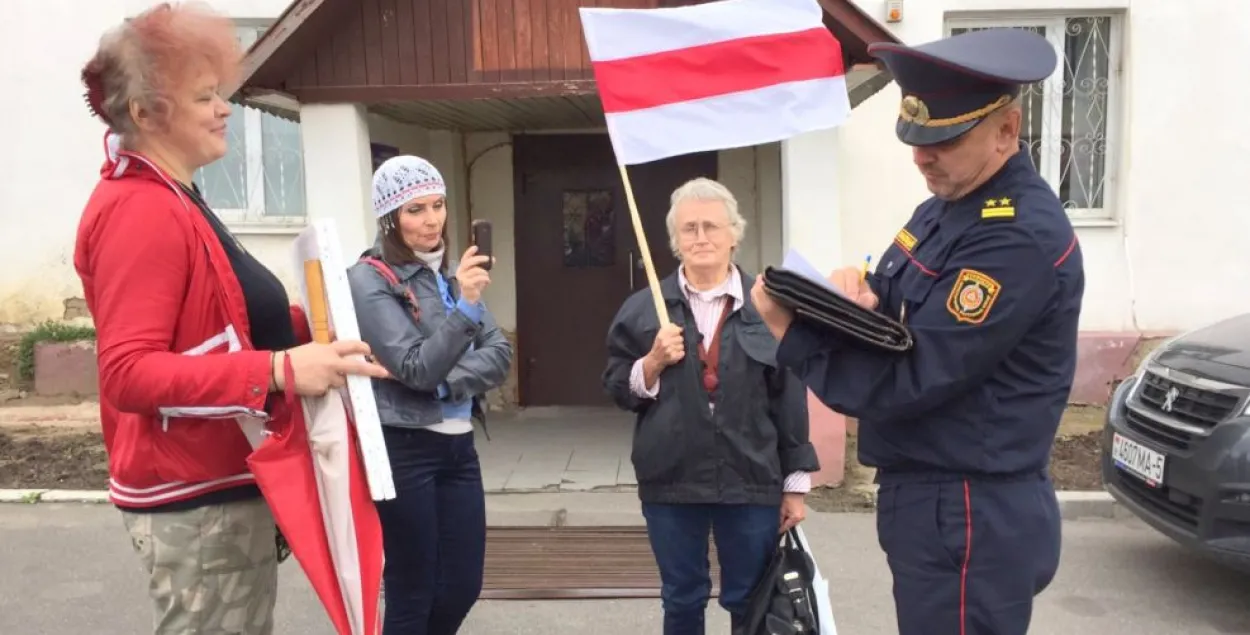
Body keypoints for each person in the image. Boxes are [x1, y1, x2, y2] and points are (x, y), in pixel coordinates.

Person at [750, 28, 1085, 635]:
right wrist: (857, 297)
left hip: (969, 509)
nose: (921, 157)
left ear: (1006, 130)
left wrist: (789, 331)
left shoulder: (1015, 237)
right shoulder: (948, 206)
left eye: (946, 140)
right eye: (915, 138)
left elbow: (912, 378)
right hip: (938, 501)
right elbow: (901, 320)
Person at [73, 4, 390, 634]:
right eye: (205, 96)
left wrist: (311, 330)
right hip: (193, 494)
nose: (225, 109)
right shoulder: (143, 210)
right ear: (145, 113)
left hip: (216, 483)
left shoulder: (175, 196)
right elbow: (129, 374)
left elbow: (220, 322)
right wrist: (278, 368)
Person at [603, 177, 820, 635]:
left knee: (750, 598)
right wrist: (653, 361)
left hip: (750, 478)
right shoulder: (645, 309)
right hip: (671, 480)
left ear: (733, 234)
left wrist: (796, 484)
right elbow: (619, 388)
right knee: (682, 599)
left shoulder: (770, 307)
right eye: (689, 229)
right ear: (674, 241)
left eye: (711, 227)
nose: (700, 237)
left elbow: (790, 397)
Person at [347, 155, 513, 635]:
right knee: (413, 587)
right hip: (405, 447)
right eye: (415, 209)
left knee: (463, 584)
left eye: (438, 205)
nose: (432, 219)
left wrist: (444, 380)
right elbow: (415, 366)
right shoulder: (369, 279)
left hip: (459, 448)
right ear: (390, 218)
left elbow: (500, 354)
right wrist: (465, 308)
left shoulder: (451, 275)